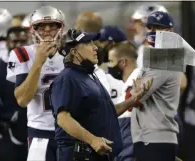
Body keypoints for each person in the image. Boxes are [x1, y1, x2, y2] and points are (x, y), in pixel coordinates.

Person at [49, 29, 150, 161]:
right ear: (74, 52)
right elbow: (63, 118)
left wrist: (133, 100)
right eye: (89, 44)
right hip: (79, 155)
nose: (95, 47)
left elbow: (107, 112)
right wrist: (93, 140)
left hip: (97, 154)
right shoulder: (67, 78)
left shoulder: (89, 76)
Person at [6, 6, 65, 161]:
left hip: (71, 134)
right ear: (33, 30)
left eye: (52, 26)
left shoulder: (72, 54)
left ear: (61, 28)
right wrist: (38, 62)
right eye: (41, 27)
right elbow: (22, 100)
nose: (47, 31)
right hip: (40, 134)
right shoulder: (23, 54)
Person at [129, 11, 183, 161]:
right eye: (150, 28)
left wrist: (133, 91)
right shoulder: (156, 56)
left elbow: (136, 96)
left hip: (156, 138)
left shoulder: (165, 57)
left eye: (158, 28)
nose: (152, 32)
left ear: (170, 31)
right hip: (151, 136)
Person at [0, 26, 29, 161]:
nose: (19, 45)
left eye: (22, 41)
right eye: (15, 41)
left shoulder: (36, 66)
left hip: (32, 131)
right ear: (7, 42)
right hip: (8, 133)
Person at [108, 42, 142, 161]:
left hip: (131, 138)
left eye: (111, 61)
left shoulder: (137, 77)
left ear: (122, 62)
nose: (109, 66)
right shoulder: (128, 81)